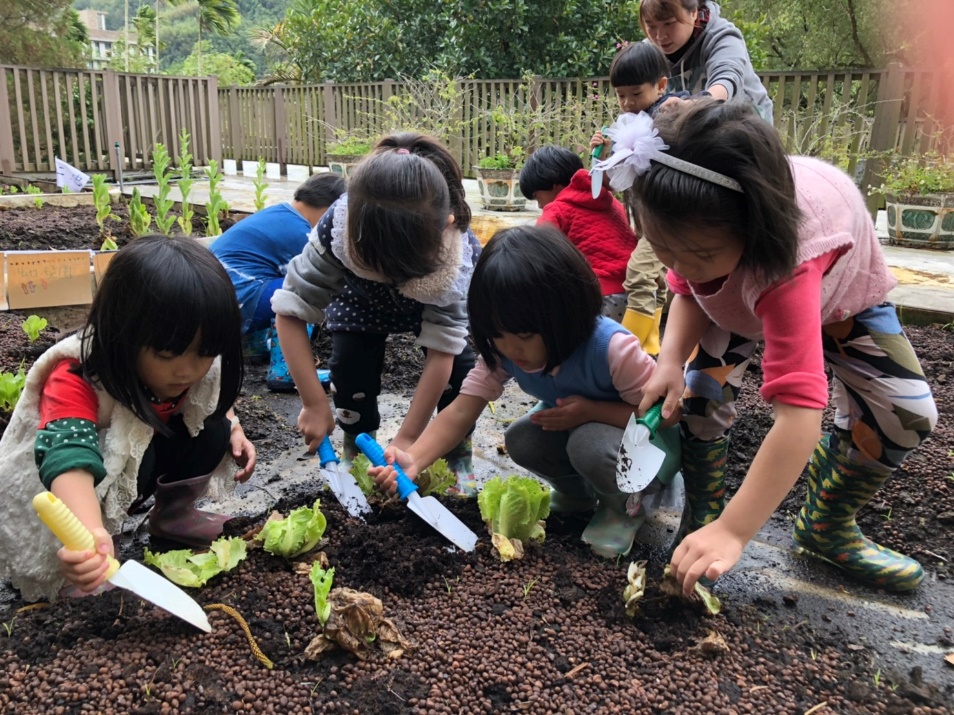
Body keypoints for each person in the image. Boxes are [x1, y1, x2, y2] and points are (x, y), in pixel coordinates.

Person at [614, 99, 937, 594]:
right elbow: (687, 285)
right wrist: (672, 359)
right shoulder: (693, 222)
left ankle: (825, 525)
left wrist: (737, 531)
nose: (679, 263)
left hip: (838, 298)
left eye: (697, 253)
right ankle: (703, 514)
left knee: (907, 414)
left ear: (751, 229)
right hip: (737, 294)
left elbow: (800, 413)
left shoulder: (781, 266)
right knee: (701, 400)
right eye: (663, 248)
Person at [369, 225, 665, 558]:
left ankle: (624, 509)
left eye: (524, 336)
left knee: (588, 442)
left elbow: (662, 414)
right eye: (497, 335)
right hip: (587, 434)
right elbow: (461, 411)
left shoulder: (611, 349)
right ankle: (576, 494)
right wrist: (415, 459)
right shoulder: (502, 352)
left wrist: (590, 412)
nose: (512, 349)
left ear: (565, 315)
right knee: (522, 437)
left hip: (646, 450)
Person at [0, 235, 256, 602]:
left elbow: (211, 391)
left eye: (205, 352)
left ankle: (173, 516)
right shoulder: (78, 376)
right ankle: (100, 543)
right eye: (168, 353)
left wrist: (235, 429)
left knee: (213, 426)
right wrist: (87, 536)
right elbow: (68, 457)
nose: (188, 370)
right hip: (63, 489)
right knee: (122, 454)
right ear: (122, 332)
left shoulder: (195, 365)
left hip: (133, 462)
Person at [271, 133, 481, 495]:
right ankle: (358, 442)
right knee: (351, 369)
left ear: (444, 225)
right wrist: (313, 403)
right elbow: (290, 312)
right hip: (358, 301)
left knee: (461, 374)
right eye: (377, 263)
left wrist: (407, 439)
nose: (390, 276)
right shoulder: (336, 229)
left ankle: (457, 452)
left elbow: (442, 350)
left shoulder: (454, 257)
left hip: (428, 301)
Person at [588, 41, 687, 355]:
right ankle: (650, 349)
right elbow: (608, 183)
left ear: (660, 86)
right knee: (656, 283)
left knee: (639, 275)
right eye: (620, 95)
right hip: (645, 221)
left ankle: (621, 355)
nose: (628, 103)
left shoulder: (670, 116)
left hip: (670, 219)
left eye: (636, 93)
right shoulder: (626, 126)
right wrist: (602, 154)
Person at [210, 172, 346, 391]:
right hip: (234, 302)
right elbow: (317, 278)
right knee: (305, 287)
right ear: (332, 209)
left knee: (276, 280)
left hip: (222, 301)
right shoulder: (301, 232)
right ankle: (286, 371)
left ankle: (251, 347)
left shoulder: (281, 214)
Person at [518, 145, 637, 322]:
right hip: (636, 297)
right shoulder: (610, 202)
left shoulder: (557, 209)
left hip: (598, 298)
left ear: (552, 182)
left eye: (537, 196)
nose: (539, 205)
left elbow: (534, 250)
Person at [638, 0, 773, 121]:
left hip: (747, 124)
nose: (660, 36)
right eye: (651, 26)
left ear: (693, 12)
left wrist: (690, 105)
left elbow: (726, 79)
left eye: (669, 23)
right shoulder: (648, 51)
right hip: (691, 129)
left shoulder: (722, 36)